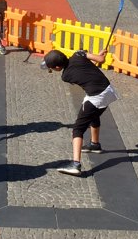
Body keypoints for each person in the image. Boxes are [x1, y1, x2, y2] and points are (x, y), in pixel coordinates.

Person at [43, 48, 118, 177]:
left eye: (51, 68)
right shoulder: (78, 55)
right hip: (109, 91)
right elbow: (98, 62)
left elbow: (82, 74)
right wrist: (99, 55)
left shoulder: (65, 76)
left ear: (57, 67)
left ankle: (75, 164)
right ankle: (95, 144)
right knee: (93, 115)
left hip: (96, 96)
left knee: (78, 129)